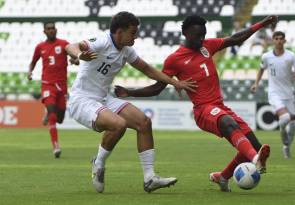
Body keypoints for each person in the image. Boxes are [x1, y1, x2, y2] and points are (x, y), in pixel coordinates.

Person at [114, 15, 278, 192]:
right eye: (197, 35)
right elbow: (157, 88)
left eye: (203, 35)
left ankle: (222, 177)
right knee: (229, 124)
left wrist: (262, 24)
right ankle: (256, 160)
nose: (201, 39)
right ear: (185, 33)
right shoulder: (174, 59)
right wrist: (130, 92)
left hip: (220, 107)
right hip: (203, 110)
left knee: (253, 145)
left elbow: (235, 38)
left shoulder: (207, 46)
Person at [64, 12, 197, 193]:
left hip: (103, 97)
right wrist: (79, 55)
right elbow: (70, 46)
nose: (136, 36)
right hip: (82, 99)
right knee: (119, 124)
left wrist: (176, 83)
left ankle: (150, 178)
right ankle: (99, 163)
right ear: (119, 32)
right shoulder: (102, 41)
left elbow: (148, 69)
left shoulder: (127, 51)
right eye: (133, 32)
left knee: (143, 122)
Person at [28, 22, 79, 158]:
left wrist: (75, 60)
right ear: (44, 32)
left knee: (60, 118)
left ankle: (49, 113)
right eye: (48, 29)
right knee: (52, 114)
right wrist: (30, 72)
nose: (51, 30)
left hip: (61, 86)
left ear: (56, 30)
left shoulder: (63, 44)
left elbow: (75, 58)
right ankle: (56, 146)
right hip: (47, 84)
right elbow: (33, 61)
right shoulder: (40, 47)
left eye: (53, 28)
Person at [250, 31, 295, 159]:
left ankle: (286, 146)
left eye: (281, 39)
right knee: (285, 118)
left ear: (284, 41)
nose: (279, 41)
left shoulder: (291, 56)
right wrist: (256, 84)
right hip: (274, 94)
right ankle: (281, 129)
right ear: (273, 40)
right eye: (276, 38)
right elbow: (261, 70)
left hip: (289, 94)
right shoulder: (266, 57)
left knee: (293, 126)